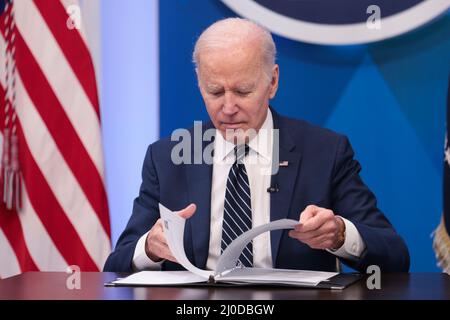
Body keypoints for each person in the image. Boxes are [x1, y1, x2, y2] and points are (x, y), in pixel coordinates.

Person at [104, 18, 409, 273]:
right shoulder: (167, 157)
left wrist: (340, 233)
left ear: (272, 82)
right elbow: (115, 265)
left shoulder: (325, 152)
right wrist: (150, 248)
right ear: (199, 82)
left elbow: (394, 257)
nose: (228, 107)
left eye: (243, 90)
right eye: (214, 91)